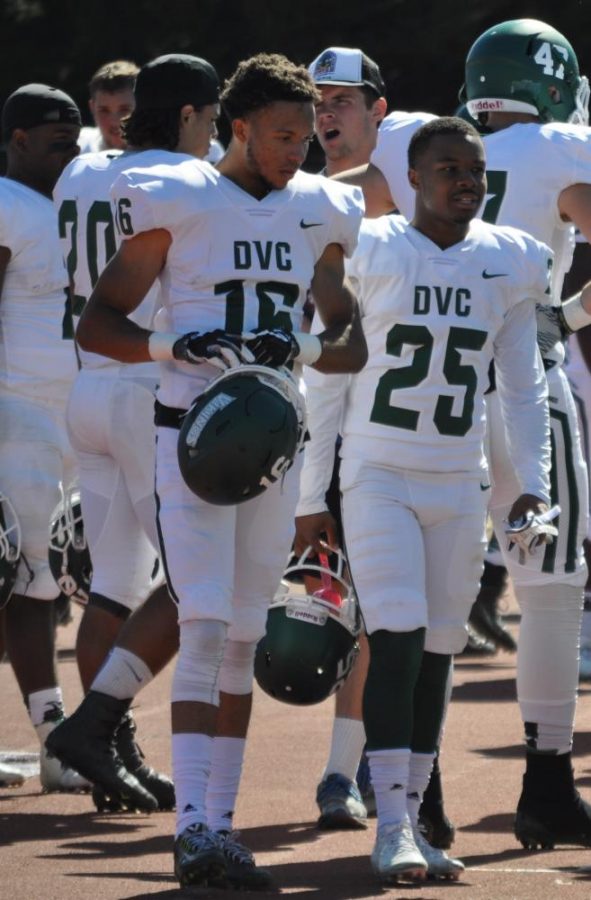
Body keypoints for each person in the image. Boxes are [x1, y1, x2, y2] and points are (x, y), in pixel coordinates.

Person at [73, 52, 367, 890]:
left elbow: (351, 344)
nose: (295, 154)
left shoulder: (317, 208)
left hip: (274, 443)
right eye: (279, 136)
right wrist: (175, 343)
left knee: (241, 634)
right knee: (203, 626)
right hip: (188, 439)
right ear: (236, 128)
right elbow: (98, 324)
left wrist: (303, 345)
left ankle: (219, 828)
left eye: (305, 139)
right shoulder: (180, 197)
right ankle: (195, 829)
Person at [338, 18, 591, 852]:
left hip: (415, 400)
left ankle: (421, 789)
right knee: (549, 582)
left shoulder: (414, 136)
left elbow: (360, 215)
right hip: (519, 377)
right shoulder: (561, 148)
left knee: (414, 609)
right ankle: (546, 781)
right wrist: (572, 308)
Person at [296, 116, 554, 883]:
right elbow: (327, 379)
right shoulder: (373, 246)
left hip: (457, 477)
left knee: (439, 649)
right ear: (411, 177)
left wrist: (529, 487)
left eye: (473, 170)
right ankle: (394, 825)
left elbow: (522, 386)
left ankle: (411, 818)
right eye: (448, 169)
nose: (465, 181)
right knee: (400, 635)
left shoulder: (508, 260)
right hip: (378, 474)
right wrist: (312, 495)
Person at [47, 53, 222, 814]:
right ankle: (102, 727)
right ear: (188, 114)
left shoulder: (79, 173)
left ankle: (106, 754)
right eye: (212, 116)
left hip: (87, 381)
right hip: (147, 378)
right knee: (194, 580)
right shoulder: (188, 179)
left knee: (115, 587)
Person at [304, 45, 386, 834]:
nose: (326, 113)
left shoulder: (426, 194)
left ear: (377, 113)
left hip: (407, 435)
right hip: (323, 433)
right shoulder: (295, 201)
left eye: (342, 100)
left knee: (393, 615)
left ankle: (359, 770)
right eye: (317, 100)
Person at [0, 83, 89, 792]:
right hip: (17, 414)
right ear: (18, 139)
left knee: (47, 582)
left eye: (76, 136)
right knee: (26, 583)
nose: (70, 148)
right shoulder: (7, 201)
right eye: (56, 138)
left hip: (68, 418)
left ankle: (68, 736)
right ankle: (57, 740)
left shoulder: (69, 204)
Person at [78, 60, 138, 153]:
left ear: (142, 107)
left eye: (125, 110)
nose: (114, 122)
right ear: (92, 108)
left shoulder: (161, 158)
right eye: (104, 111)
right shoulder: (76, 149)